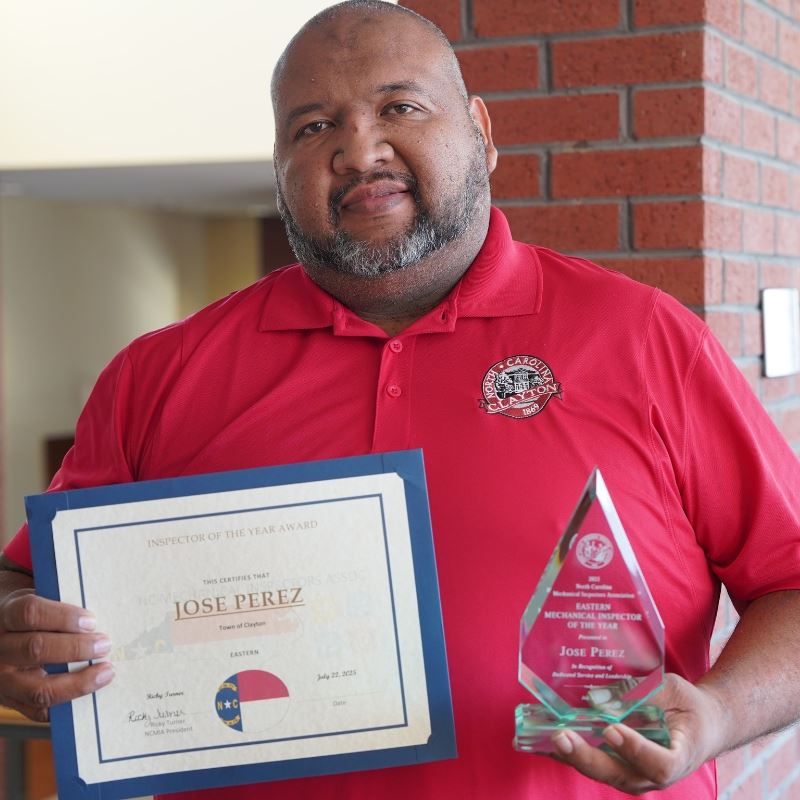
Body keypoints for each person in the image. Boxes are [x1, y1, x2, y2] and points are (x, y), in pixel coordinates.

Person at [1, 1, 799, 797]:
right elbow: (29, 585)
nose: (359, 150)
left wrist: (722, 713)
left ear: (480, 133)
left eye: (399, 108)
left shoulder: (646, 339)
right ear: (278, 162)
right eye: (313, 127)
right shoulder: (159, 377)